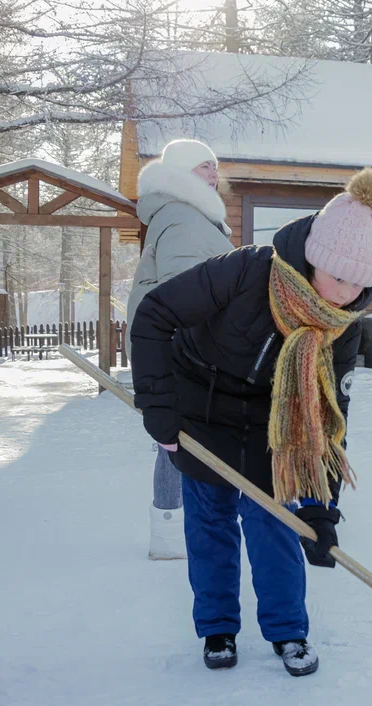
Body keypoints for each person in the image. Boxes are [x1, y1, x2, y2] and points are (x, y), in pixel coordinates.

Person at [130, 167, 372, 677]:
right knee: (209, 523)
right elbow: (154, 315)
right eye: (337, 276)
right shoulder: (244, 272)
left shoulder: (339, 329)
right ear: (313, 258)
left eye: (359, 282)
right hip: (200, 408)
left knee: (276, 524)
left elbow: (327, 418)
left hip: (271, 426)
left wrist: (322, 509)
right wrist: (158, 408)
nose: (344, 293)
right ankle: (217, 628)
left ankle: (288, 631)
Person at [126, 139, 235, 561]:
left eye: (215, 165)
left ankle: (175, 524)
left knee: (179, 435)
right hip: (182, 346)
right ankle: (172, 529)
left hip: (181, 343)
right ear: (183, 173)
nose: (214, 173)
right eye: (205, 166)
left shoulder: (187, 215)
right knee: (177, 437)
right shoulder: (185, 217)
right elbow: (184, 293)